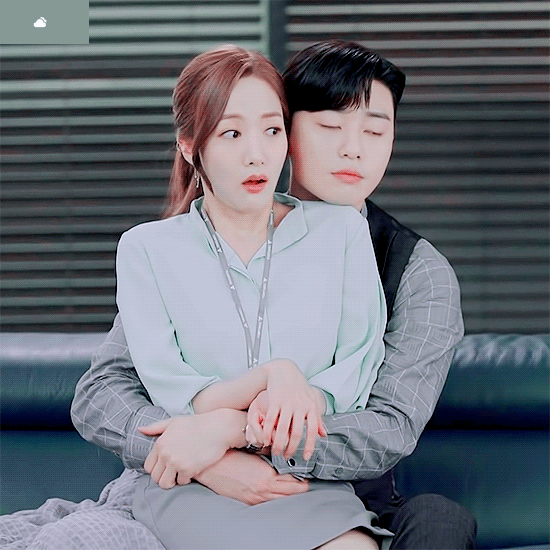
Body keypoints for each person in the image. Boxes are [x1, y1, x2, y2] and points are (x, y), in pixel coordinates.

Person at [0, 41, 476, 550]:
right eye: (329, 127)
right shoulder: (169, 248)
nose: (353, 149)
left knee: (440, 523)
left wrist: (234, 433)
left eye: (376, 131)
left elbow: (388, 427)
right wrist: (204, 458)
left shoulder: (416, 270)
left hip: (333, 490)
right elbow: (104, 392)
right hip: (180, 483)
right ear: (290, 131)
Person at [117, 43, 393, 550]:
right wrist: (274, 376)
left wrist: (233, 426)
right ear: (189, 146)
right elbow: (174, 393)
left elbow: (353, 379)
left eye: (272, 130)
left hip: (305, 484)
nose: (257, 154)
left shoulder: (341, 232)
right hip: (194, 481)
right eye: (231, 133)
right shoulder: (146, 250)